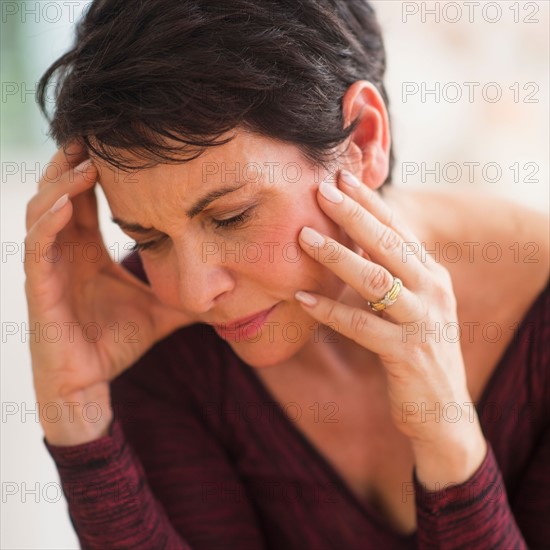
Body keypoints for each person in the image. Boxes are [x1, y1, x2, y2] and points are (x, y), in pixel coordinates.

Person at [25, 0, 548, 548]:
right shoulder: (150, 326)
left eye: (231, 217)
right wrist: (77, 412)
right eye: (147, 239)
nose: (195, 294)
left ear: (362, 142)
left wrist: (451, 443)